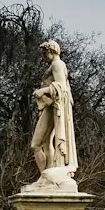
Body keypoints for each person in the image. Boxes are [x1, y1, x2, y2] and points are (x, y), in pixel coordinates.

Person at [30, 40, 78, 184]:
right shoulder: (57, 65)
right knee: (45, 143)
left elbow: (61, 87)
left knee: (36, 144)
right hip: (51, 106)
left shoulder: (57, 64)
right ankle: (46, 178)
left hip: (54, 108)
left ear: (51, 51)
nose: (43, 57)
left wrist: (42, 90)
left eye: (45, 53)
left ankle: (44, 178)